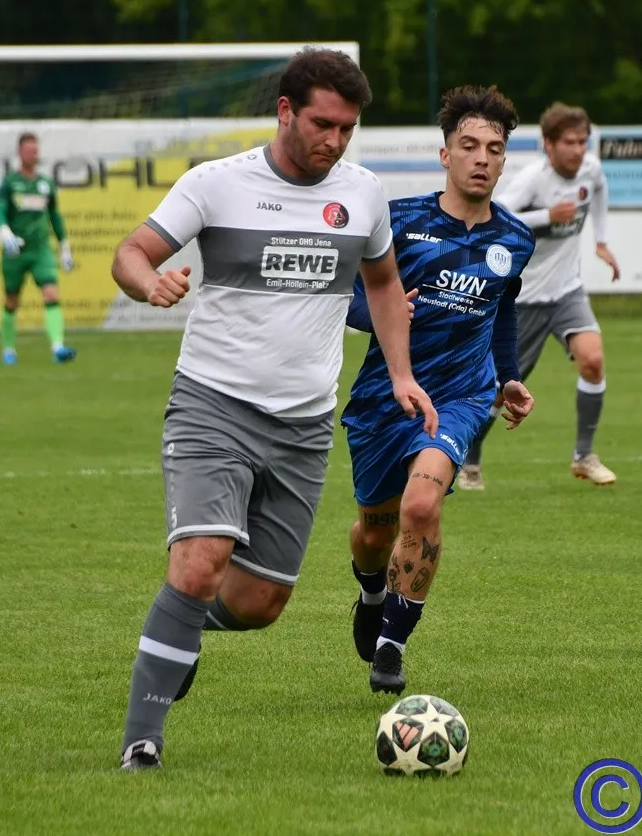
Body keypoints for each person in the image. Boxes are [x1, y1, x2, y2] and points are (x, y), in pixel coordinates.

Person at [108, 48, 435, 771]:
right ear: (286, 111)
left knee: (260, 604)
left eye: (348, 129)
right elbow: (131, 252)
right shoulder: (216, 183)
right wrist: (148, 283)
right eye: (323, 124)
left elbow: (383, 284)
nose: (335, 141)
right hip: (213, 406)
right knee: (200, 564)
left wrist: (402, 374)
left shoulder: (363, 194)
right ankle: (142, 740)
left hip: (303, 425)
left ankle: (176, 628)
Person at [342, 86, 535, 694]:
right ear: (445, 154)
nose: (482, 158)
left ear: (503, 161)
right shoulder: (399, 221)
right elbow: (346, 295)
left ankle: (392, 648)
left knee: (422, 506)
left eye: (494, 149)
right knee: (374, 532)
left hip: (460, 397)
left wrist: (508, 375)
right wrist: (379, 312)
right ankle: (372, 593)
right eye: (469, 146)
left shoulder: (516, 239)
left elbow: (503, 311)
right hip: (384, 397)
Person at [459, 102, 620, 490]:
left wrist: (601, 241)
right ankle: (469, 460)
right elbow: (495, 214)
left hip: (566, 291)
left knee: (593, 361)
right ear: (548, 144)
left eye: (582, 141)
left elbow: (599, 192)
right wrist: (547, 216)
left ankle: (584, 456)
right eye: (569, 142)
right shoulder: (533, 180)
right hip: (523, 299)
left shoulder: (591, 170)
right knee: (499, 392)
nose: (578, 150)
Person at [0, 132, 75, 364]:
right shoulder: (10, 183)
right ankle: (8, 349)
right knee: (11, 300)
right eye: (29, 151)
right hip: (16, 251)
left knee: (51, 293)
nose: (33, 155)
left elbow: (54, 216)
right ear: (20, 153)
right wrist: (5, 232)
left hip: (41, 250)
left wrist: (64, 246)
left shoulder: (45, 184)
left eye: (36, 151)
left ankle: (57, 347)